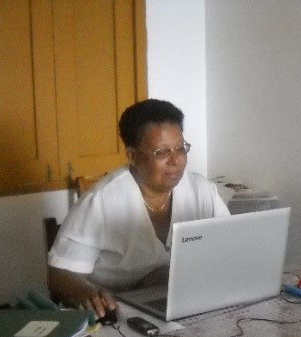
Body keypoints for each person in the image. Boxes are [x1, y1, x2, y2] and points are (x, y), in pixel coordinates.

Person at [48, 99, 230, 319]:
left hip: (181, 304)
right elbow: (59, 276)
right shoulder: (101, 202)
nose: (175, 160)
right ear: (133, 156)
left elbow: (229, 248)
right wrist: (87, 292)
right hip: (118, 314)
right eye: (161, 152)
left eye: (180, 148)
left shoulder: (202, 191)